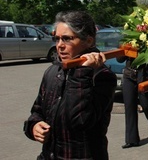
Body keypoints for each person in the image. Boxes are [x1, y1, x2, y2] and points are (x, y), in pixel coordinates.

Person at [23, 10, 117, 160]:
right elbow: (37, 111)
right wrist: (34, 126)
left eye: (67, 39)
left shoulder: (102, 76)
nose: (60, 45)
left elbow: (79, 120)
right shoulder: (53, 71)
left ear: (89, 41)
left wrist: (82, 72)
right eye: (57, 39)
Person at [118, 57, 148, 148]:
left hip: (146, 75)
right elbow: (119, 59)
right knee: (129, 106)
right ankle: (132, 140)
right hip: (129, 75)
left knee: (147, 105)